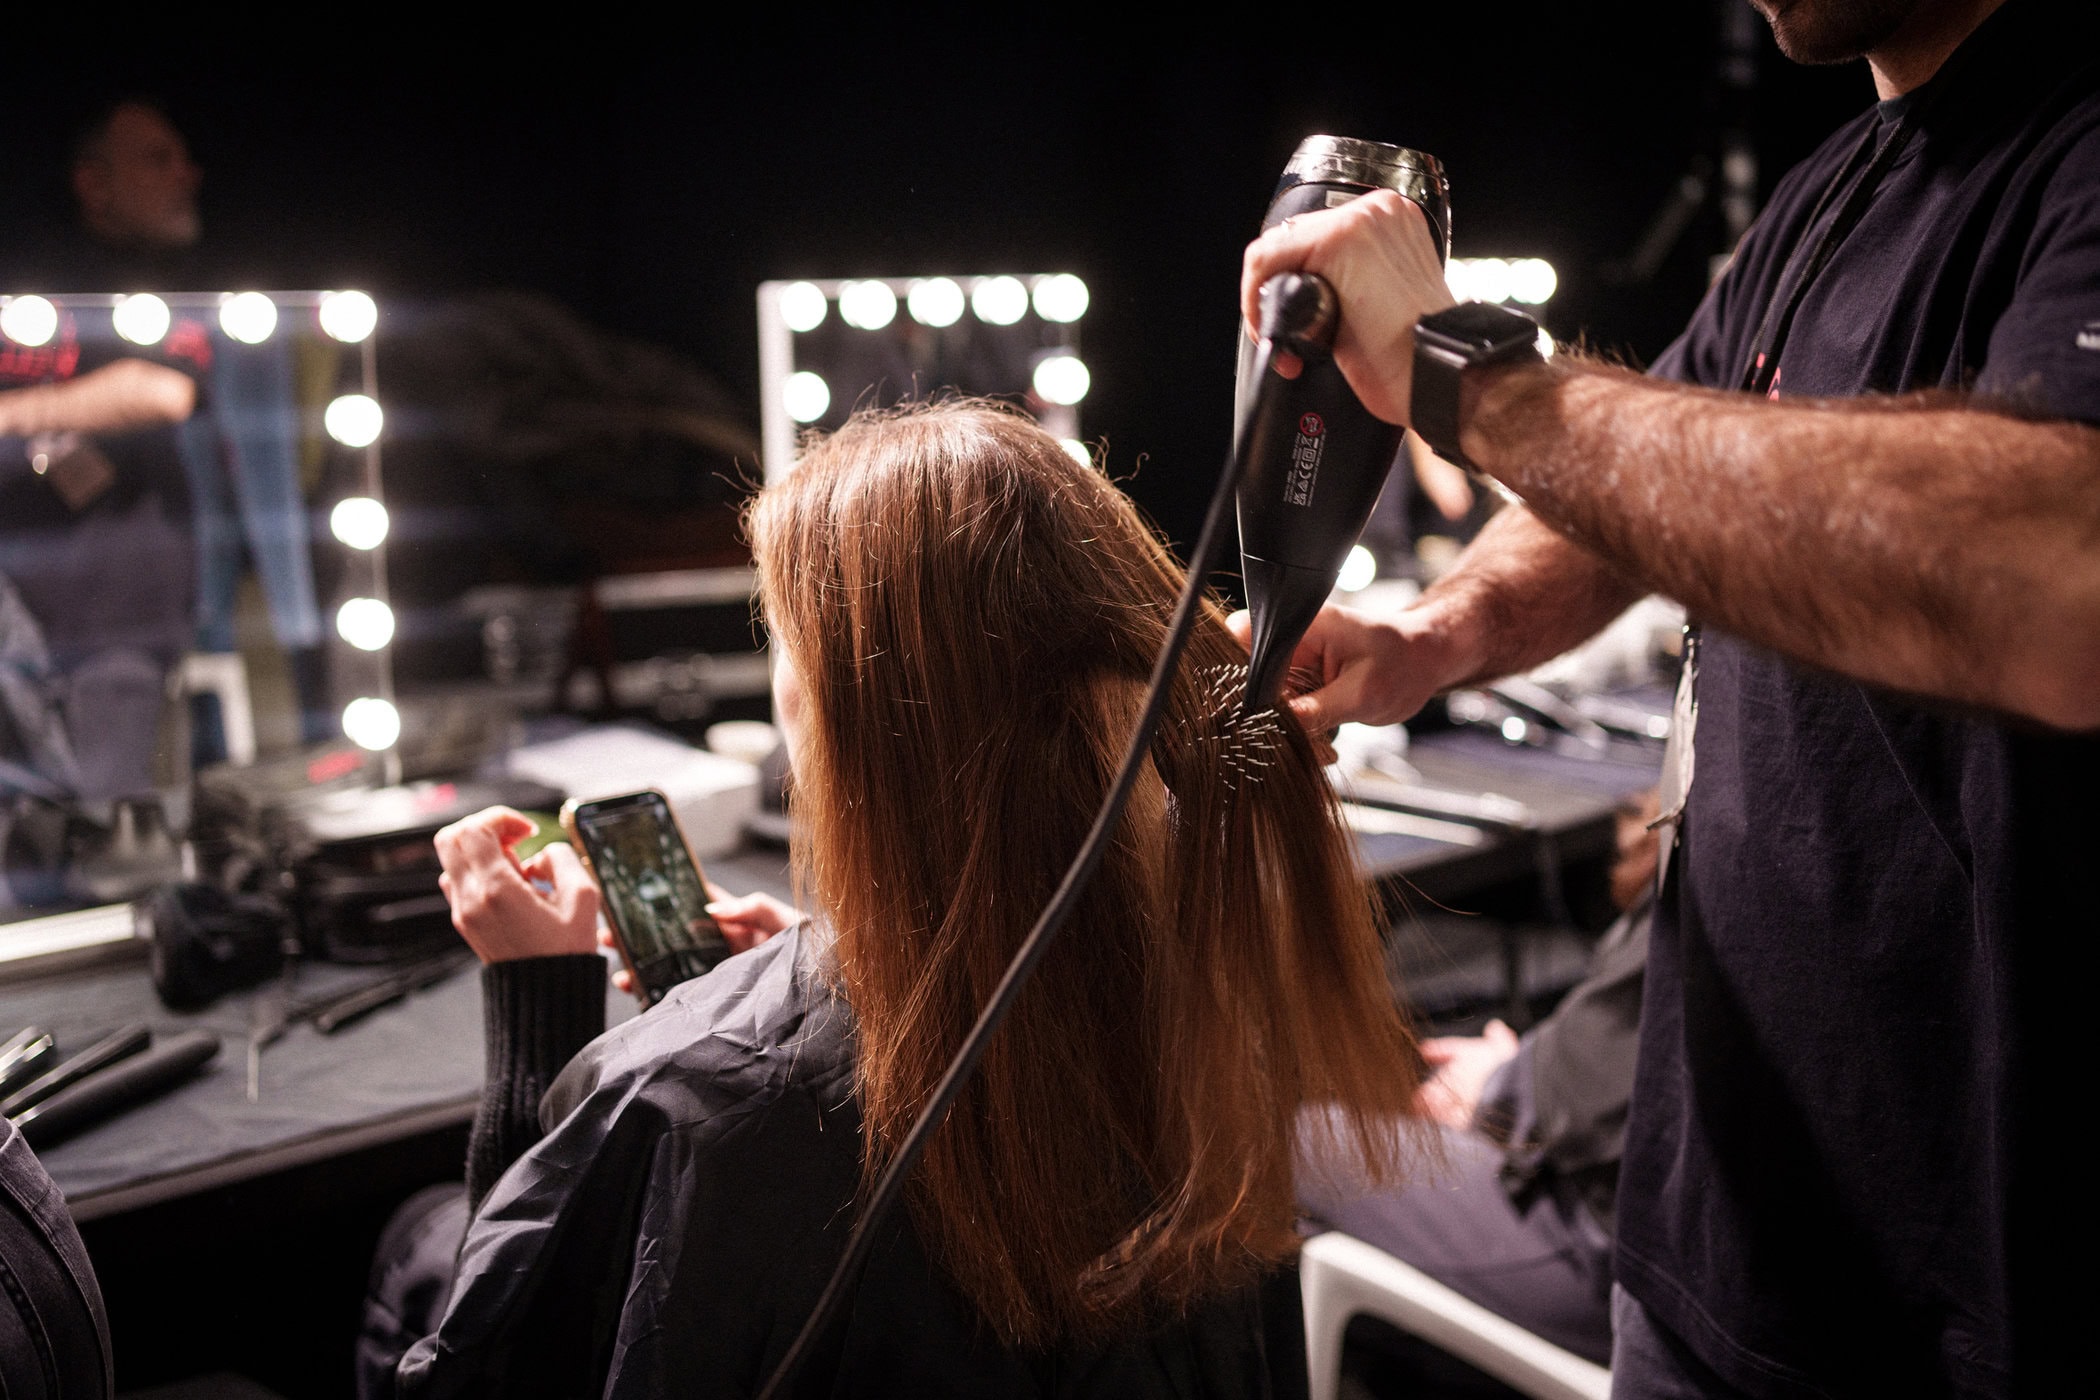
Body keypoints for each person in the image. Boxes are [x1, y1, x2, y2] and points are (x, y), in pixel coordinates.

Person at [1237, 0, 2098, 1393]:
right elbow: (1634, 493)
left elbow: (2058, 575)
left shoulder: (2071, 153)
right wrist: (1436, 634)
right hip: (1709, 1260)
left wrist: (1478, 384)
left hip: (1964, 1315)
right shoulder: (1832, 195)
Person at [387, 402, 1426, 1397]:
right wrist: (845, 975)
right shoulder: (1206, 976)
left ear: (844, 713)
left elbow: (510, 1353)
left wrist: (540, 1007)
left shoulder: (685, 1099)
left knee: (415, 1240)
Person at [1298, 795, 1658, 1368]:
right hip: (1671, 1247)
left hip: (1622, 1265)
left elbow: (1634, 1041)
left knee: (1283, 1148)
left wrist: (1503, 1089)